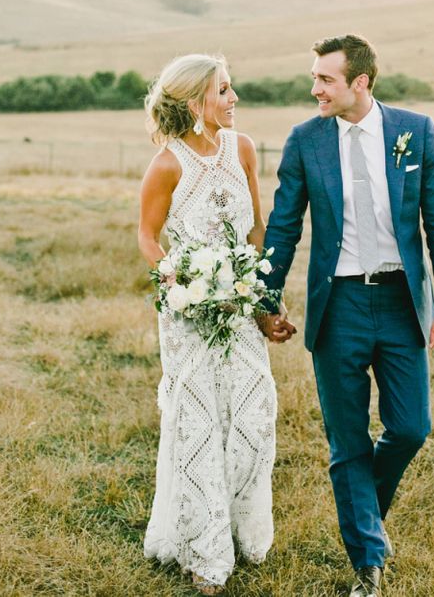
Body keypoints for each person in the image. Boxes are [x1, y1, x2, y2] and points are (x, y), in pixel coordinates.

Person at [259, 34, 434, 597]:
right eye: (315, 77)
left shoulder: (415, 132)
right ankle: (368, 565)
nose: (314, 88)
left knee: (410, 428)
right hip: (339, 305)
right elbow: (284, 226)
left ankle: (361, 511)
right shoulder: (305, 141)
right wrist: (265, 298)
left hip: (401, 304)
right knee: (347, 440)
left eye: (325, 79)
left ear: (361, 83)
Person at [138, 54, 286, 595]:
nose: (234, 99)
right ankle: (202, 549)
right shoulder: (167, 164)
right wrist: (176, 281)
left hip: (241, 310)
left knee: (253, 416)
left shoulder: (241, 148)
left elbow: (256, 229)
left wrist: (265, 300)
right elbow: (149, 239)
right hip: (190, 316)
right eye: (224, 91)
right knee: (198, 425)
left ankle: (244, 531)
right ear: (196, 100)